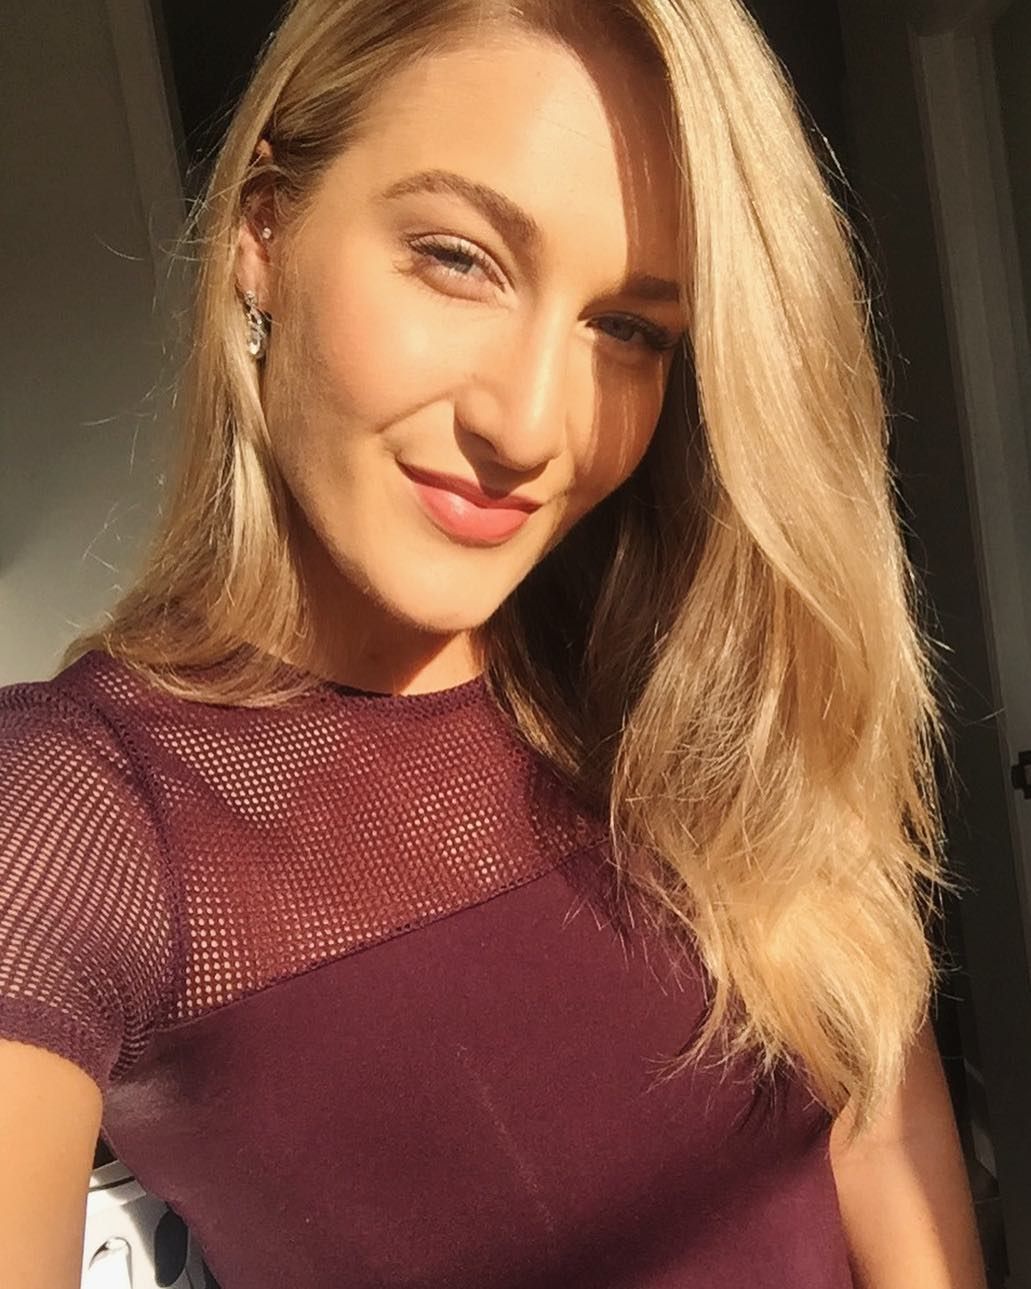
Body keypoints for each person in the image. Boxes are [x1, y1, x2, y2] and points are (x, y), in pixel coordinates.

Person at [0, 0, 989, 1286]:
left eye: (628, 328)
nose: (529, 425)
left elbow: (874, 1123)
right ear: (263, 231)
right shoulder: (82, 809)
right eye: (459, 259)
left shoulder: (687, 681)